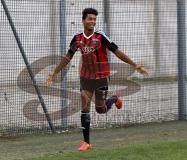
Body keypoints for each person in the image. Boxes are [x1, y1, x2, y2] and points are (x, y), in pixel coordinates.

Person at [46, 8, 148, 151]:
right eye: (90, 19)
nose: (92, 22)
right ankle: (86, 142)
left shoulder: (101, 37)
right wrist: (54, 73)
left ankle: (114, 99)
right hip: (86, 78)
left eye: (94, 19)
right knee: (85, 105)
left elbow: (117, 52)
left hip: (101, 78)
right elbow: (68, 56)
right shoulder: (77, 39)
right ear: (83, 21)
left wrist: (135, 65)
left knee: (100, 109)